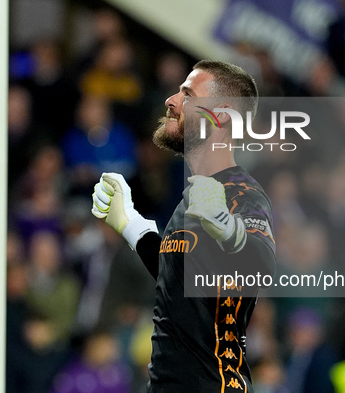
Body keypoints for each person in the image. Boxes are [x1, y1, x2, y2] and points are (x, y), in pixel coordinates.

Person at [92, 60, 276, 392]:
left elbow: (260, 263)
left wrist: (225, 226)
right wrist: (130, 223)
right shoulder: (196, 196)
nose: (171, 100)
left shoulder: (242, 193)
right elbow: (174, 274)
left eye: (188, 94)